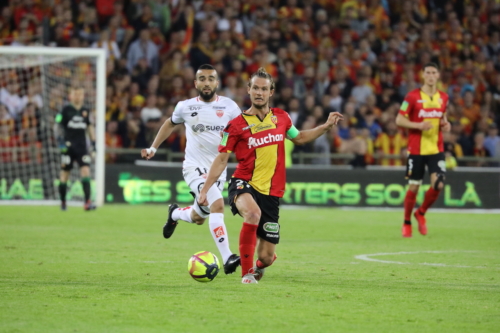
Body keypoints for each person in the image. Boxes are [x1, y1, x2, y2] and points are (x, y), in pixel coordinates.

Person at [198, 68, 343, 284]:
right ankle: (247, 274)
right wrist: (205, 189)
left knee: (266, 257)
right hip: (243, 182)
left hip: (272, 192)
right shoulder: (235, 125)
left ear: (271, 92)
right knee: (252, 214)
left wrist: (326, 126)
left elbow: (300, 137)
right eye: (255, 88)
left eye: (263, 89)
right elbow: (221, 159)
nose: (259, 92)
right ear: (248, 90)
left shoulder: (282, 118)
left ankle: (258, 266)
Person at [141, 64, 242, 275]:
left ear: (217, 82)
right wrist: (153, 147)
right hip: (194, 167)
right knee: (217, 205)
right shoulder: (185, 106)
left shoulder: (230, 107)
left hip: (218, 170)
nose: (206, 83)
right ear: (196, 83)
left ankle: (175, 214)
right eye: (202, 79)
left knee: (198, 217)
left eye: (211, 79)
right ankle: (228, 257)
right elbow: (170, 124)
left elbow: (242, 134)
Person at [396, 62, 451, 238]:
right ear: (423, 75)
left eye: (434, 72)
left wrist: (445, 124)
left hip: (436, 148)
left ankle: (421, 213)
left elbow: (443, 117)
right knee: (413, 187)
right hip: (416, 149)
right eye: (427, 72)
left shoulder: (443, 97)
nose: (430, 75)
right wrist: (418, 125)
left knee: (438, 184)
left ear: (438, 75)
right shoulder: (411, 97)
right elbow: (399, 120)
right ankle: (406, 222)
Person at [56, 86, 96, 211]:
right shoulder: (65, 110)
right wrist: (60, 142)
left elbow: (90, 128)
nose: (78, 96)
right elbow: (57, 126)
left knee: (86, 172)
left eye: (80, 94)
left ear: (83, 96)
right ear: (71, 96)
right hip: (68, 147)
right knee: (64, 174)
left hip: (82, 147)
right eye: (75, 94)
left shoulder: (86, 111)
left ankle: (87, 203)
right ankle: (63, 203)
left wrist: (94, 144)